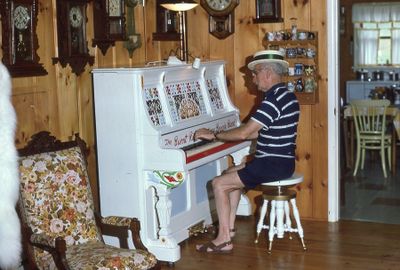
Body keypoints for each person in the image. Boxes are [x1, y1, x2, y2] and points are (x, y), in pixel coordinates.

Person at [195, 50, 300, 254]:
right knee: (228, 174)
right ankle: (229, 228)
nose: (253, 78)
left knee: (218, 184)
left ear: (267, 73)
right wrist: (231, 133)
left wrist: (215, 135)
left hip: (272, 164)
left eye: (255, 73)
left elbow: (245, 133)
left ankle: (224, 239)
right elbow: (253, 133)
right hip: (280, 161)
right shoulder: (286, 95)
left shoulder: (272, 100)